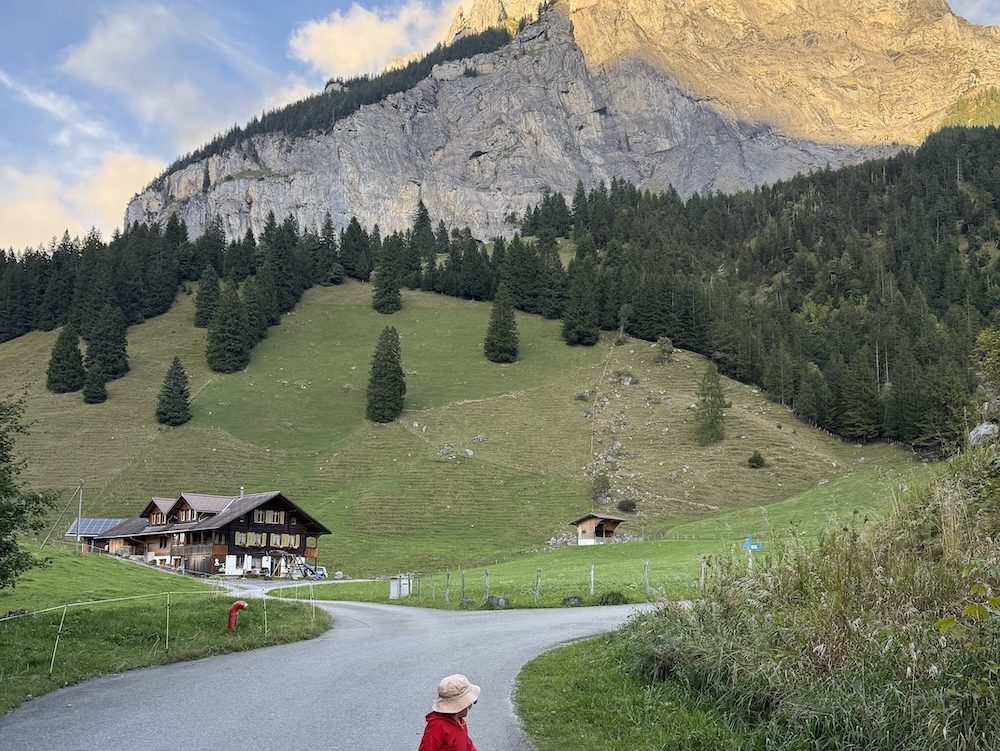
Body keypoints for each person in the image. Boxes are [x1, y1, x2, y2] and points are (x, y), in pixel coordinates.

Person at [417, 673, 480, 751]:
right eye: (471, 702)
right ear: (462, 706)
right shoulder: (436, 728)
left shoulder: (460, 722)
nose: (471, 705)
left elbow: (467, 744)